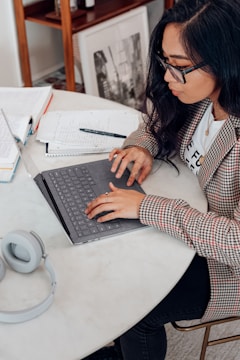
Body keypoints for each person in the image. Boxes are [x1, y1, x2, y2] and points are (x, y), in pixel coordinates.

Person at [85, 0, 240, 358]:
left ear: (226, 60)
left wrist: (147, 208)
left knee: (136, 310)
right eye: (165, 62)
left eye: (181, 67)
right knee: (107, 263)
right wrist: (142, 147)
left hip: (223, 266)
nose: (168, 77)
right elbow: (156, 125)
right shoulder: (200, 96)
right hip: (187, 223)